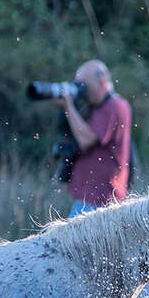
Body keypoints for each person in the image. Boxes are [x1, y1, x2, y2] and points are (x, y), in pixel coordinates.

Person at [56, 60, 132, 218]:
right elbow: (69, 133)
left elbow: (86, 139)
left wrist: (68, 106)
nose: (81, 90)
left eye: (84, 85)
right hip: (89, 198)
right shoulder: (94, 107)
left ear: (102, 82)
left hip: (101, 201)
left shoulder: (115, 106)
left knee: (73, 242)